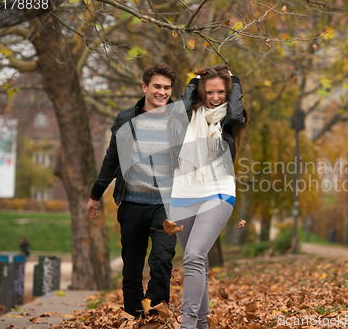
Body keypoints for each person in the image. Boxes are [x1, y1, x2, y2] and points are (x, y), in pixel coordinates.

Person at [86, 62, 178, 317]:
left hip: (166, 205)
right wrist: (95, 195)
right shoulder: (125, 119)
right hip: (132, 204)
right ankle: (135, 316)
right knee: (132, 270)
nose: (162, 92)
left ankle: (156, 315)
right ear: (144, 86)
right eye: (157, 86)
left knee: (161, 262)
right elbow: (111, 159)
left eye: (167, 88)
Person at [170, 64, 248, 329]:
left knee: (193, 254)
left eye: (222, 92)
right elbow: (178, 110)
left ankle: (188, 323)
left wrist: (234, 80)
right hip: (183, 193)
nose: (215, 97)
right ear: (202, 92)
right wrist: (194, 80)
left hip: (218, 191)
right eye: (210, 91)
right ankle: (202, 324)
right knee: (196, 261)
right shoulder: (188, 116)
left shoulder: (229, 118)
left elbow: (236, 111)